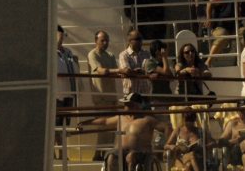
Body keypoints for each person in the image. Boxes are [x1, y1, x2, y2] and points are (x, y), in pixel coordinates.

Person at [79, 92, 167, 171]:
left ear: (135, 105)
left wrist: (168, 144)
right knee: (111, 157)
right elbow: (104, 121)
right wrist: (85, 123)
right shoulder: (121, 118)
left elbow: (166, 128)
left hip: (141, 153)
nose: (124, 107)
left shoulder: (147, 120)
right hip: (119, 152)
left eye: (127, 104)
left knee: (130, 157)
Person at [87, 30, 120, 160]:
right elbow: (101, 71)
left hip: (111, 96)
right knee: (102, 127)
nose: (105, 43)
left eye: (107, 40)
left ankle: (107, 154)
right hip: (100, 96)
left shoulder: (110, 55)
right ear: (96, 41)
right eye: (102, 40)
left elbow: (115, 72)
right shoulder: (92, 54)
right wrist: (119, 70)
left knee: (112, 128)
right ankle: (97, 154)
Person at [205, 0, 245, 66]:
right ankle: (208, 61)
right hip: (221, 26)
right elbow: (210, 3)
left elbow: (244, 13)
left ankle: (242, 61)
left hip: (235, 26)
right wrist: (209, 18)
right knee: (223, 37)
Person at [56, 25, 79, 143]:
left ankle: (62, 150)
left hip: (69, 92)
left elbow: (74, 69)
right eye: (59, 35)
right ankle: (55, 151)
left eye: (62, 36)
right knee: (56, 124)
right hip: (57, 94)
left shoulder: (68, 52)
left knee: (64, 124)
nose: (61, 39)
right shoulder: (49, 52)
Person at [116, 29, 152, 98]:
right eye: (137, 39)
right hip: (131, 92)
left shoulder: (146, 53)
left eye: (141, 39)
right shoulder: (124, 55)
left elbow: (151, 70)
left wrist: (137, 71)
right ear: (130, 41)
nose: (140, 41)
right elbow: (127, 71)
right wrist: (141, 71)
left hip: (145, 92)